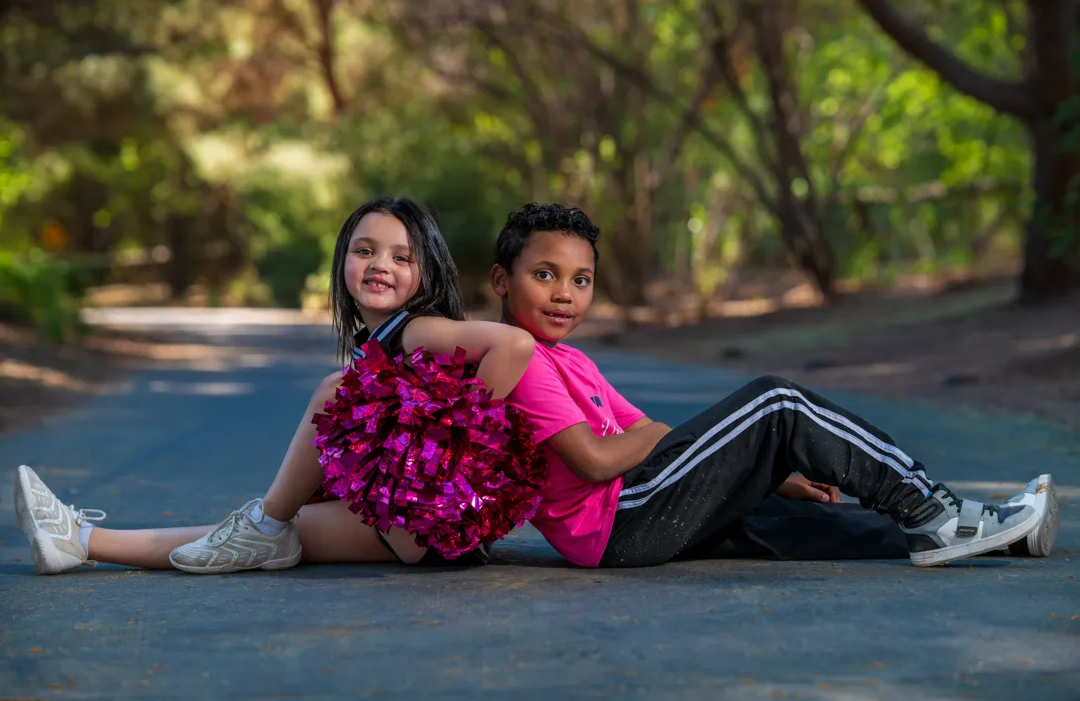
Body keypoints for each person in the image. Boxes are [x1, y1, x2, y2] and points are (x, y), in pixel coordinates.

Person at [492, 203, 1057, 568]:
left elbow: (642, 432)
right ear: (501, 279)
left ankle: (994, 534)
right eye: (545, 275)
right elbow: (594, 460)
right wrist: (668, 436)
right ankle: (931, 510)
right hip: (619, 518)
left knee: (808, 524)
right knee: (776, 402)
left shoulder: (570, 359)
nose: (564, 293)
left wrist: (767, 472)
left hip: (642, 503)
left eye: (581, 280)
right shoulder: (522, 362)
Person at [13, 196, 536, 575]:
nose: (380, 265)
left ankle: (262, 522)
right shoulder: (375, 338)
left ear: (427, 273)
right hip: (415, 530)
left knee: (335, 395)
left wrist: (443, 453)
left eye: (402, 257)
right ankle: (80, 540)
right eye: (365, 250)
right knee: (253, 538)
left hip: (426, 518)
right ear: (342, 261)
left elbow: (514, 346)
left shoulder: (417, 328)